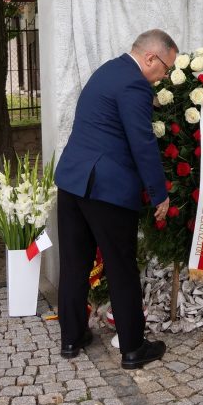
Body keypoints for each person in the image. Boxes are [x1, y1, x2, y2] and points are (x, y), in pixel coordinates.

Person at [55, 29, 176, 369]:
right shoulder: (135, 84)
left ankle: (71, 338)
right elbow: (142, 142)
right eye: (165, 68)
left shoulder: (109, 70)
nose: (163, 76)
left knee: (74, 264)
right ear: (150, 57)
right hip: (107, 188)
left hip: (73, 182)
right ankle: (134, 348)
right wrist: (158, 193)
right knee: (121, 267)